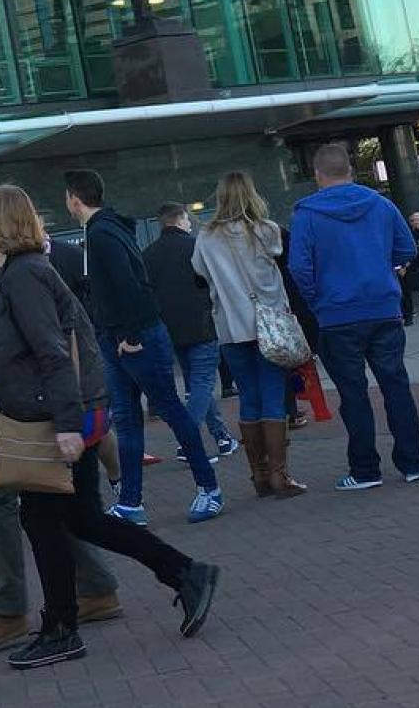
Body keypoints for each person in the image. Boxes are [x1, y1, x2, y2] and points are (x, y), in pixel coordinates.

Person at [0, 186, 219, 669]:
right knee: (78, 518)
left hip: (53, 419)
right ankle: (183, 572)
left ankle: (62, 627)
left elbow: (51, 351)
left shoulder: (22, 277)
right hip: (63, 414)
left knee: (46, 521)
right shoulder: (24, 273)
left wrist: (66, 424)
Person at [0, 170, 121, 651]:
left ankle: (11, 607)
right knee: (44, 495)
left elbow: (46, 335)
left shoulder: (0, 257)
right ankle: (94, 587)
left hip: (11, 389)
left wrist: (65, 414)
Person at [63, 170, 222, 525]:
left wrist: (131, 335)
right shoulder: (108, 229)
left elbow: (129, 284)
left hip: (131, 338)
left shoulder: (101, 234)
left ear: (74, 198)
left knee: (161, 411)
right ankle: (132, 502)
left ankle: (207, 488)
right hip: (122, 336)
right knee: (134, 417)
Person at [288, 144, 419, 491]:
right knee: (396, 386)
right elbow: (406, 249)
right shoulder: (380, 204)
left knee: (353, 394)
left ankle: (366, 469)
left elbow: (299, 267)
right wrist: (385, 268)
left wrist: (317, 299)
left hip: (337, 314)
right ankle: (413, 463)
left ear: (318, 176)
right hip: (382, 306)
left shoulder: (306, 214)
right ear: (351, 170)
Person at [191, 173, 306, 500]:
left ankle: (258, 473)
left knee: (249, 397)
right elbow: (280, 254)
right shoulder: (265, 229)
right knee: (272, 393)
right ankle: (279, 475)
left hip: (230, 325)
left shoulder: (206, 237)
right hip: (268, 323)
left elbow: (199, 272)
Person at [141, 203, 238, 461]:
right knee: (204, 382)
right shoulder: (196, 246)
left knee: (197, 385)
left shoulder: (148, 254)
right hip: (203, 324)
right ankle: (188, 441)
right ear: (181, 219)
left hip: (171, 329)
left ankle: (222, 436)